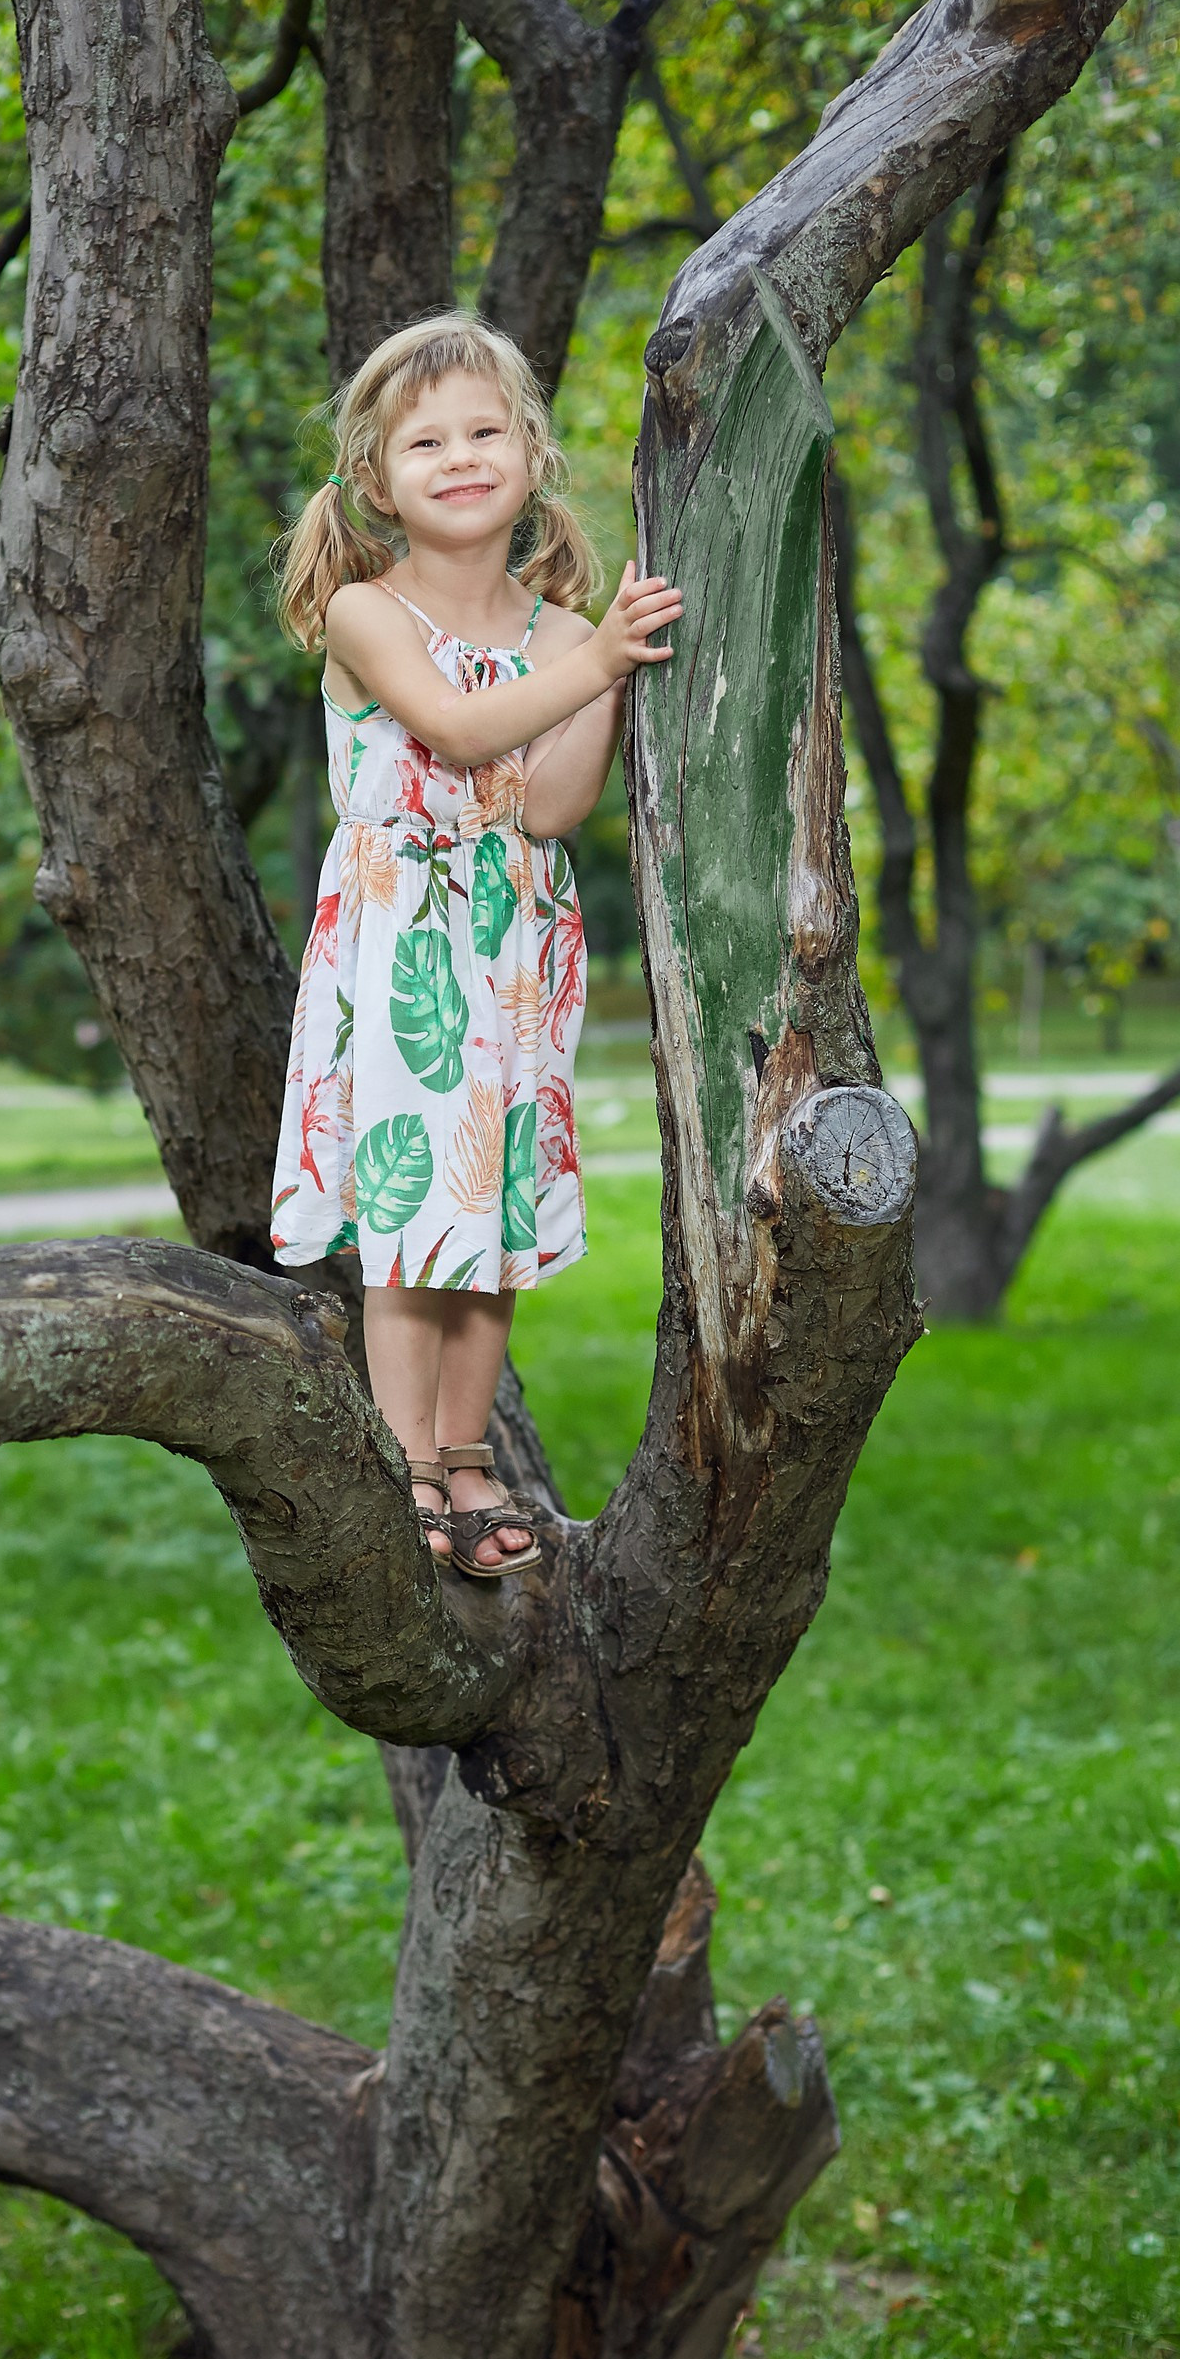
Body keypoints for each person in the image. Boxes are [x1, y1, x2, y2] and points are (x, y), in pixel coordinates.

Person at [269, 311, 681, 1578]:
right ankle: (403, 1463)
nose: (459, 457)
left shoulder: (558, 635)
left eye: (484, 432)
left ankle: (465, 1454)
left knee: (490, 1213)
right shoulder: (365, 611)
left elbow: (547, 808)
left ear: (532, 454)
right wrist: (599, 659)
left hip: (512, 949)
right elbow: (453, 730)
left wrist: (601, 665)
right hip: (405, 939)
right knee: (410, 1207)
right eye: (425, 442)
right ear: (374, 479)